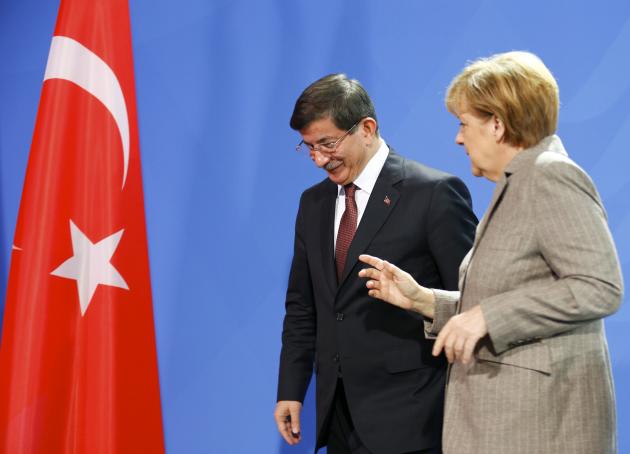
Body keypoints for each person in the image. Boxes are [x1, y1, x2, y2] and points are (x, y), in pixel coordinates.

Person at [359, 51, 623, 453]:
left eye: (465, 124)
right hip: (508, 423)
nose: (458, 138)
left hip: (539, 429)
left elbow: (598, 286)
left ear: (497, 125)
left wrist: (488, 317)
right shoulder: (518, 184)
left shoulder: (550, 176)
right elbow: (512, 293)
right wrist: (426, 301)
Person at [274, 74, 478, 454]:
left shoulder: (433, 194)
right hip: (339, 419)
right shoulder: (313, 203)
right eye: (309, 148)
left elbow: (475, 301)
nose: (319, 159)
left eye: (327, 143)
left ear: (367, 128)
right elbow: (303, 306)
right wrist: (291, 389)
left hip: (414, 419)